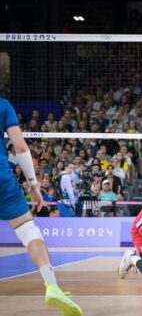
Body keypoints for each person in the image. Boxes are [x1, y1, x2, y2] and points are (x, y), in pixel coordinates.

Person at [0, 98, 82, 315]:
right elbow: (20, 147)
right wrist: (34, 186)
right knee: (28, 230)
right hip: (2, 182)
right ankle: (52, 286)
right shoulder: (3, 105)